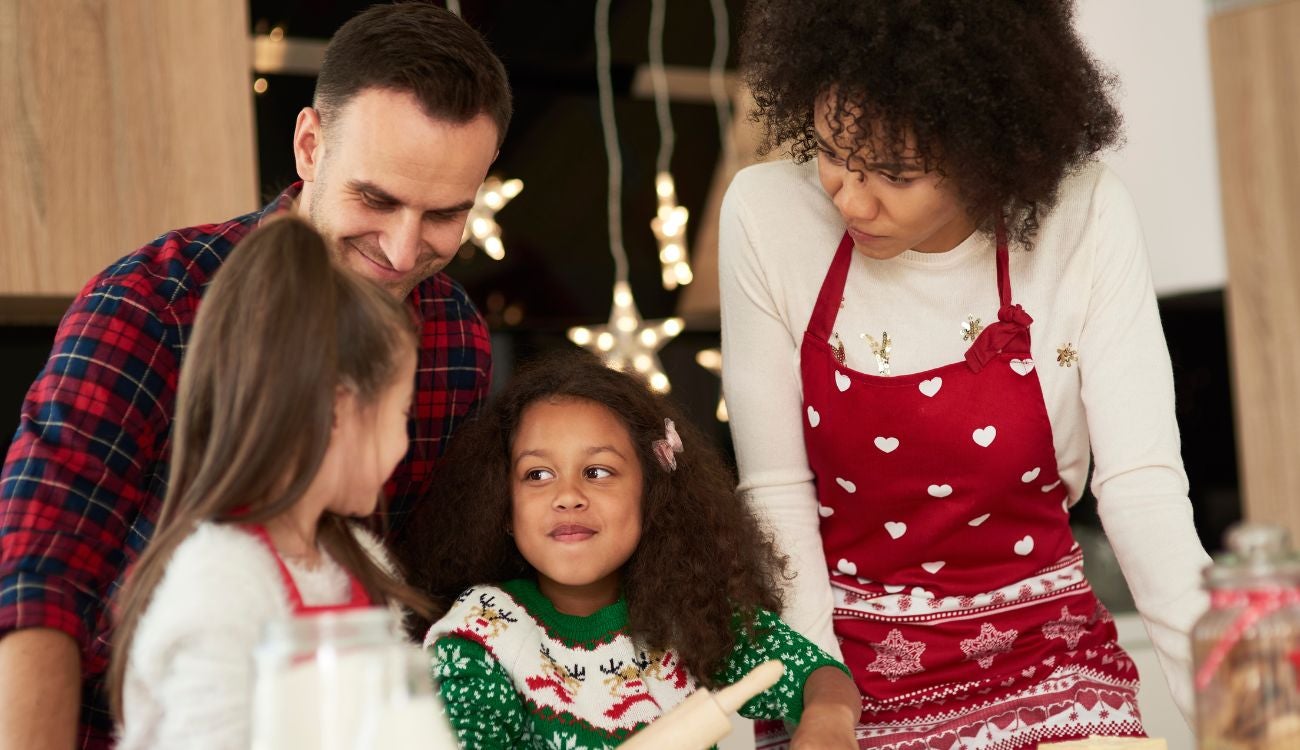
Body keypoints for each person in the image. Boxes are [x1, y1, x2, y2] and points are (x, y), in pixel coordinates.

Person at [0, 3, 511, 747]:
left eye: (443, 215)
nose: (403, 253)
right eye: (376, 199)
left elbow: (422, 589)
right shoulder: (155, 304)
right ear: (310, 146)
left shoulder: (455, 339)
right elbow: (40, 570)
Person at [718, 1, 1212, 748]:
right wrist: (819, 696)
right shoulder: (765, 216)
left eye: (896, 173)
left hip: (1046, 653)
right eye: (831, 151)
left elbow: (1142, 490)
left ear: (990, 155)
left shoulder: (1083, 214)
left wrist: (1236, 707)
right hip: (846, 661)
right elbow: (776, 494)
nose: (850, 197)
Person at [400, 350, 861, 749]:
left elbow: (816, 675)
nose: (568, 496)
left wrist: (828, 718)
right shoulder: (482, 635)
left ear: (651, 496)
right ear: (503, 505)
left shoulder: (687, 611)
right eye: (538, 475)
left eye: (598, 472)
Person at [107, 216, 430, 748]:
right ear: (337, 411)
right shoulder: (221, 582)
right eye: (401, 414)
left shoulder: (363, 565)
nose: (404, 443)